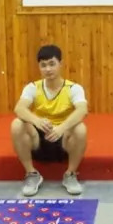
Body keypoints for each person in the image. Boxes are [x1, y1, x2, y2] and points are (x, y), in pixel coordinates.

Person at [10, 44, 88, 197]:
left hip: (63, 139)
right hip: (39, 138)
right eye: (43, 65)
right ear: (39, 67)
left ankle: (70, 174)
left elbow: (82, 110)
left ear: (61, 64)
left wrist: (62, 128)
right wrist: (36, 121)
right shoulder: (33, 87)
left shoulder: (73, 88)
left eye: (52, 64)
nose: (48, 69)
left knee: (81, 128)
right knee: (17, 124)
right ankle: (32, 174)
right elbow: (19, 108)